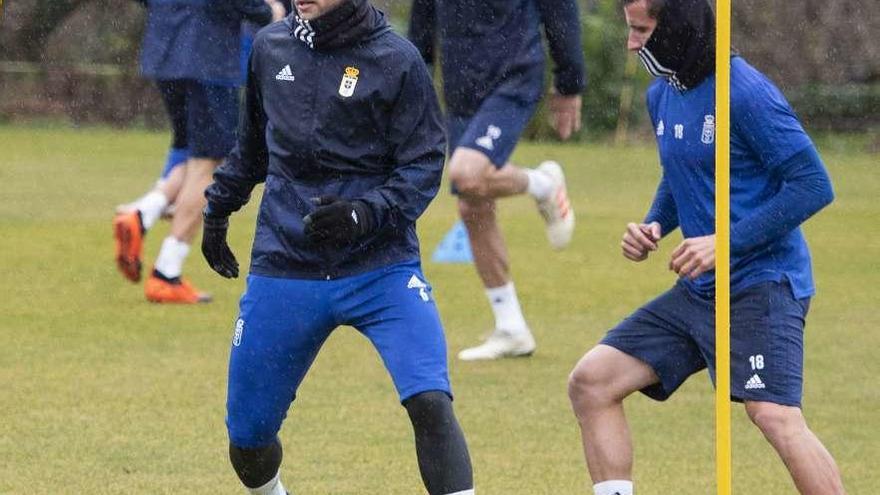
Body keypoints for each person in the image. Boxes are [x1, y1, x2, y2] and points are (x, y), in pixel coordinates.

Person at [566, 1, 847, 494]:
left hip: (763, 285)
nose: (632, 44)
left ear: (676, 26)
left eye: (641, 30)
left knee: (774, 414)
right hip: (700, 292)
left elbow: (812, 184)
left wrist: (724, 242)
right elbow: (683, 172)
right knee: (592, 382)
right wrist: (654, 225)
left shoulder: (745, 93)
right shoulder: (663, 94)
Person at [200, 0, 475, 493]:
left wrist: (364, 213)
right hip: (286, 263)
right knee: (247, 442)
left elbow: (424, 164)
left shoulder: (398, 60)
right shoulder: (270, 46)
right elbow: (253, 148)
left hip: (382, 267)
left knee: (430, 400)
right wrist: (218, 209)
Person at [408, 0, 586, 360]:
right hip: (460, 87)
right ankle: (511, 328)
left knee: (466, 174)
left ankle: (543, 185)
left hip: (514, 75)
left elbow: (560, 11)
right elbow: (422, 19)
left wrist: (569, 81)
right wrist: (412, 75)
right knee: (471, 204)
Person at [112, 0, 285, 303]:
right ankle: (166, 272)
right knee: (211, 164)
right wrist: (267, 12)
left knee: (193, 154)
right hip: (207, 57)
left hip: (165, 54)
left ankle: (143, 212)